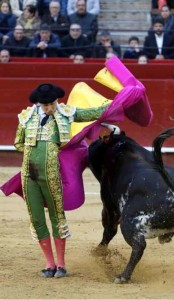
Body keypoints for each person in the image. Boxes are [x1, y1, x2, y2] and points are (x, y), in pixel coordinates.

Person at [12, 82, 110, 278]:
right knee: (37, 219)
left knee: (58, 217)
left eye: (53, 104)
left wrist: (114, 105)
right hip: (29, 175)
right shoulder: (26, 118)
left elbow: (92, 114)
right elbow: (18, 143)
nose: (50, 108)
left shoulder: (66, 113)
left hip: (52, 175)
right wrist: (36, 152)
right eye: (46, 105)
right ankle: (49, 264)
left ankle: (61, 264)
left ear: (57, 101)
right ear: (39, 104)